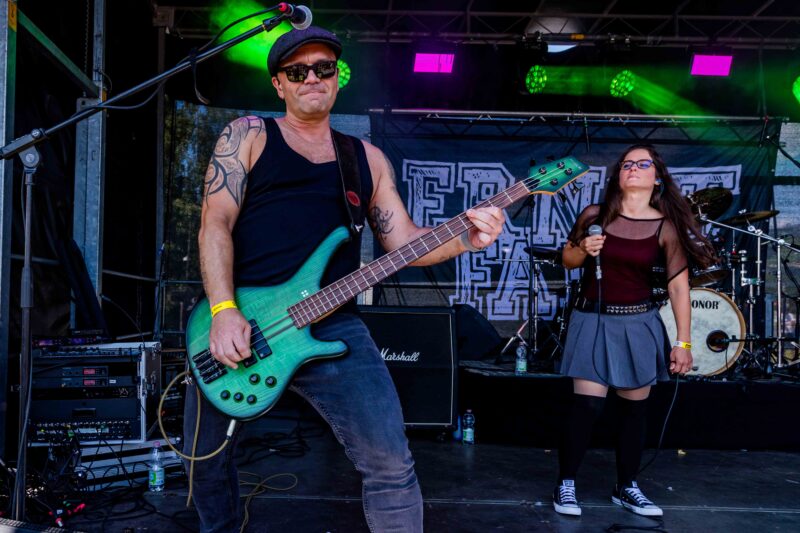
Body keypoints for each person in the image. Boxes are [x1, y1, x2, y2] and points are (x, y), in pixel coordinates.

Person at [183, 26, 505, 533]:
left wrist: (467, 237)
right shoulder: (247, 135)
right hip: (240, 319)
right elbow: (214, 223)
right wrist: (224, 311)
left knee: (391, 462)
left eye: (324, 68)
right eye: (297, 71)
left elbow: (404, 243)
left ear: (337, 78)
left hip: (332, 321)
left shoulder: (366, 160)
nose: (312, 77)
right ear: (279, 85)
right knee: (206, 463)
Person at [552, 144, 714, 517]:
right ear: (618, 175)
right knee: (586, 406)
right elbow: (568, 260)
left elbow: (678, 287)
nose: (634, 168)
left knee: (633, 411)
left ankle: (626, 487)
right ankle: (566, 484)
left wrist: (683, 343)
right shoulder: (595, 215)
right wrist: (584, 247)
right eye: (627, 164)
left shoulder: (665, 226)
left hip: (638, 323)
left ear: (657, 177)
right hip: (592, 319)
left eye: (643, 164)